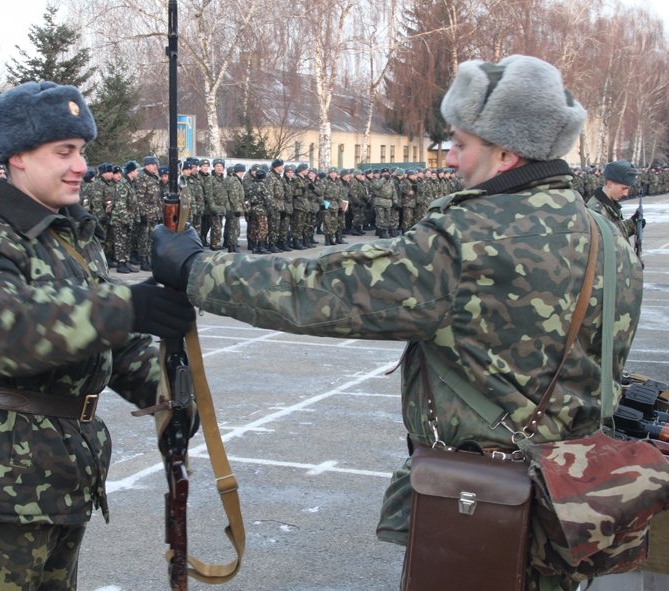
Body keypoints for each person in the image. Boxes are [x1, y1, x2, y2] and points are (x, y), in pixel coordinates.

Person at [152, 55, 643, 591]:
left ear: (506, 152)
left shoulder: (470, 236)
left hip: (483, 505)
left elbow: (326, 291)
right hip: (569, 503)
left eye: (461, 143)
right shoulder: (607, 235)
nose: (449, 158)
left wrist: (196, 268)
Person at [0, 81, 195, 591]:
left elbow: (108, 340)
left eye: (82, 151)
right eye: (64, 152)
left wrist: (169, 396)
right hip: (3, 470)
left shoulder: (65, 233)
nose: (80, 166)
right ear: (18, 156)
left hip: (63, 463)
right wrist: (127, 307)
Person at [585, 159, 644, 250]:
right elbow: (603, 246)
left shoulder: (609, 205)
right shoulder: (597, 211)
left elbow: (614, 232)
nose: (626, 193)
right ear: (610, 184)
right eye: (623, 188)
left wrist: (632, 223)